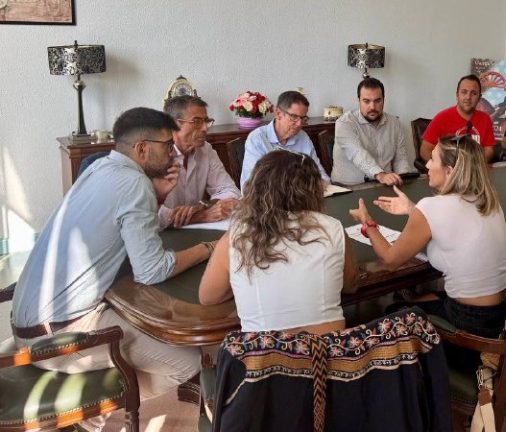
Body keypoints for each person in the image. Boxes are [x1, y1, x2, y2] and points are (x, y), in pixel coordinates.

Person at [10, 107, 210, 428]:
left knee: (143, 321)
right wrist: (205, 250)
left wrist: (156, 200)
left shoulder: (99, 168)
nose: (172, 152)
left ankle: (93, 408)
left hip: (25, 321)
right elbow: (152, 270)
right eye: (165, 145)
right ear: (142, 149)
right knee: (190, 361)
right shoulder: (135, 185)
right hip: (60, 335)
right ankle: (93, 408)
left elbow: (127, 237)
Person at [350, 135, 506, 349]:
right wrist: (412, 210)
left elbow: (390, 261)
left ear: (450, 170)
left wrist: (367, 222)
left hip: (470, 324)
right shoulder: (489, 201)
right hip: (502, 312)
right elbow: (451, 223)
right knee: (422, 298)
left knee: (392, 312)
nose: (426, 164)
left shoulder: (433, 206)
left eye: (433, 159)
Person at [200, 150, 357, 334]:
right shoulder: (332, 228)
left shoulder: (235, 237)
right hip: (327, 354)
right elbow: (350, 286)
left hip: (262, 358)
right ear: (313, 190)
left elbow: (208, 297)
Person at [160, 96, 239, 228]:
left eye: (206, 121)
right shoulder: (154, 155)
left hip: (195, 230)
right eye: (196, 122)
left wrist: (204, 206)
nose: (204, 128)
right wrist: (201, 216)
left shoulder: (205, 149)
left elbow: (229, 190)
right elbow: (148, 215)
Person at [331, 77, 412, 186]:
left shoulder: (394, 123)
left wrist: (404, 179)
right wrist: (380, 175)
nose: (372, 107)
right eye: (366, 101)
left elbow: (400, 159)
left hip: (384, 186)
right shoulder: (344, 123)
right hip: (349, 188)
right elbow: (357, 154)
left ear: (384, 99)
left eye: (378, 101)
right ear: (358, 100)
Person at [240, 90, 330, 187]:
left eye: (303, 118)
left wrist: (321, 182)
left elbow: (321, 175)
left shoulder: (302, 137)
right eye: (294, 117)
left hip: (303, 197)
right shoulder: (258, 138)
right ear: (278, 113)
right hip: (269, 199)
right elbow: (251, 184)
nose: (299, 124)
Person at [420, 75, 496, 163]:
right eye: (464, 92)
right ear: (457, 95)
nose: (468, 97)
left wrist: (475, 166)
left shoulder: (485, 119)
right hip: (449, 172)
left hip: (475, 171)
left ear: (479, 98)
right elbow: (425, 151)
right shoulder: (441, 118)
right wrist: (443, 168)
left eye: (473, 93)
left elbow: (489, 150)